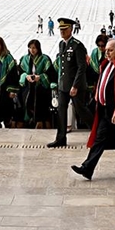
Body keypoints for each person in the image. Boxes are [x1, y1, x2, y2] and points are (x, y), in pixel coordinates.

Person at [70, 38, 115, 180]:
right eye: (106, 50)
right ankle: (87, 168)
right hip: (106, 111)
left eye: (110, 50)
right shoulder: (107, 65)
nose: (106, 53)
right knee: (99, 139)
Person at [48, 18, 93, 147]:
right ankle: (61, 138)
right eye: (61, 30)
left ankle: (98, 133)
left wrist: (75, 85)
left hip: (75, 86)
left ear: (71, 29)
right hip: (63, 86)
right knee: (61, 111)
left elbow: (81, 67)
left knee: (81, 111)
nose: (62, 32)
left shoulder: (77, 45)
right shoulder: (62, 44)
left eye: (65, 29)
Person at [17, 39, 54, 129]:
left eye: (34, 48)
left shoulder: (45, 59)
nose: (32, 50)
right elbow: (21, 71)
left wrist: (40, 77)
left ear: (38, 48)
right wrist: (26, 76)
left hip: (41, 88)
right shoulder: (24, 59)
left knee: (41, 108)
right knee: (27, 105)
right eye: (30, 48)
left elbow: (50, 73)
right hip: (28, 87)